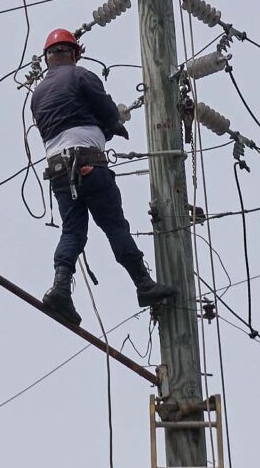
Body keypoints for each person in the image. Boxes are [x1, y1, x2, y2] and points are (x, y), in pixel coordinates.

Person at [28, 27, 173, 324]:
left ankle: (60, 290)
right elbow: (107, 112)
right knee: (114, 226)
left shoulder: (38, 93)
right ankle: (144, 284)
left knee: (73, 232)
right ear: (73, 53)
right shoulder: (81, 76)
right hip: (88, 163)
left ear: (46, 58)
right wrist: (113, 127)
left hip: (57, 170)